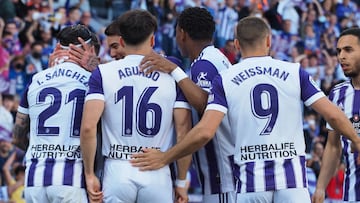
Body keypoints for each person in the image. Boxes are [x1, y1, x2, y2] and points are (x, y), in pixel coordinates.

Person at [131, 16, 360, 203]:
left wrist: (165, 157)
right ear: (269, 41)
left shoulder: (226, 79)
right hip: (292, 183)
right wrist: (358, 142)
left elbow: (204, 132)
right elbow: (333, 114)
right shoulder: (293, 71)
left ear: (237, 45)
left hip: (252, 183)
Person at [80, 9, 192, 203]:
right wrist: (181, 182)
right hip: (158, 168)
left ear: (122, 41)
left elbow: (88, 127)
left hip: (118, 168)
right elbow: (183, 130)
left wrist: (90, 174)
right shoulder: (172, 71)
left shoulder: (103, 72)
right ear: (153, 40)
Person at [138, 7, 235, 202]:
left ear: (181, 33)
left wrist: (175, 70)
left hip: (223, 173)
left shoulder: (204, 64)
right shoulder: (217, 58)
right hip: (226, 170)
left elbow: (205, 104)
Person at [12, 24, 99, 203]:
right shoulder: (95, 81)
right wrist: (96, 68)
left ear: (58, 48)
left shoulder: (36, 80)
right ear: (89, 49)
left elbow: (17, 137)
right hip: (72, 180)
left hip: (34, 181)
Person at [312, 27, 360, 203]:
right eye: (339, 51)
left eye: (348, 50)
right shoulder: (338, 94)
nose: (341, 57)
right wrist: (320, 187)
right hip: (352, 194)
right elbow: (333, 146)